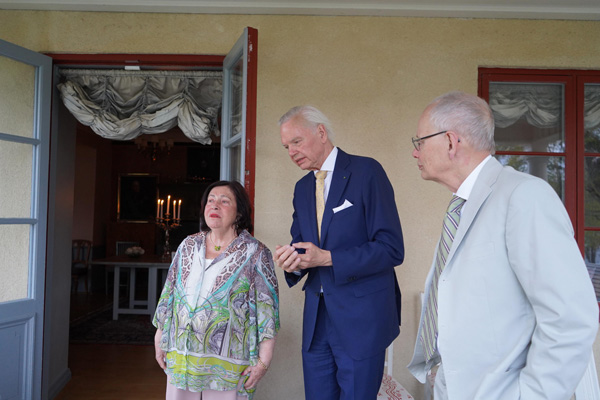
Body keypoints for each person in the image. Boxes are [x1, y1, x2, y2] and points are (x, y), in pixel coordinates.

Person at [407, 91, 599, 399]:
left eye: (420, 142)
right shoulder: (462, 207)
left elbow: (570, 319)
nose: (415, 153)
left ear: (451, 142)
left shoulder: (524, 196)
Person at [275, 105, 404, 400]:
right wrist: (292, 262)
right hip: (317, 320)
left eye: (296, 142)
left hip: (362, 318)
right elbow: (302, 245)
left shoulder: (366, 171)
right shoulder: (302, 188)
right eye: (286, 147)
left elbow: (391, 248)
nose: (292, 152)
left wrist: (328, 258)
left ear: (321, 133)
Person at [153, 180, 280, 400]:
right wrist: (159, 337)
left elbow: (267, 310)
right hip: (181, 355)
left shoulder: (256, 253)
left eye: (224, 201)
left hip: (229, 365)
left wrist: (263, 361)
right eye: (210, 200)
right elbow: (169, 294)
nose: (215, 205)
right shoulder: (188, 246)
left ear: (239, 212)